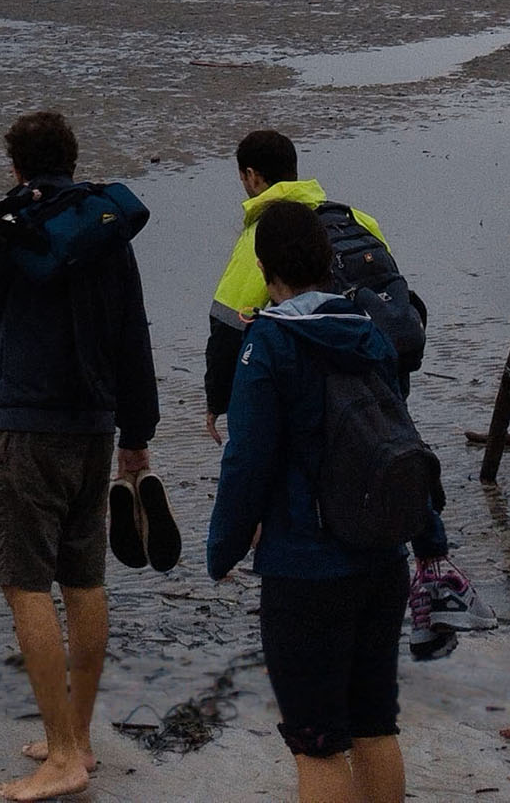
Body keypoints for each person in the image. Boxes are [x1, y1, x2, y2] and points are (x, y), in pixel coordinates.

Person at [0, 110, 161, 801]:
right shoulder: (107, 228)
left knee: (25, 582)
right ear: (72, 160)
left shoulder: (22, 228)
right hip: (97, 428)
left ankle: (63, 754)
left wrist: (6, 225)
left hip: (31, 428)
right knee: (83, 577)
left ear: (17, 167)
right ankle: (80, 738)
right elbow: (134, 334)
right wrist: (137, 435)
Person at [204, 129, 482, 652]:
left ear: (250, 177)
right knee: (381, 443)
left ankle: (341, 552)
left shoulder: (261, 236)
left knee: (313, 463)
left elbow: (225, 328)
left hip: (308, 385)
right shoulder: (357, 219)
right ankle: (417, 553)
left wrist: (217, 400)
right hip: (375, 357)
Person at [204, 200, 422, 803]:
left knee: (318, 743)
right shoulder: (370, 331)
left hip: (307, 570)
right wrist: (427, 538)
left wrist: (221, 550)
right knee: (375, 724)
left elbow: (246, 462)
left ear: (264, 265)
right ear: (330, 262)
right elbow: (398, 430)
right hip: (382, 557)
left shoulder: (268, 346)